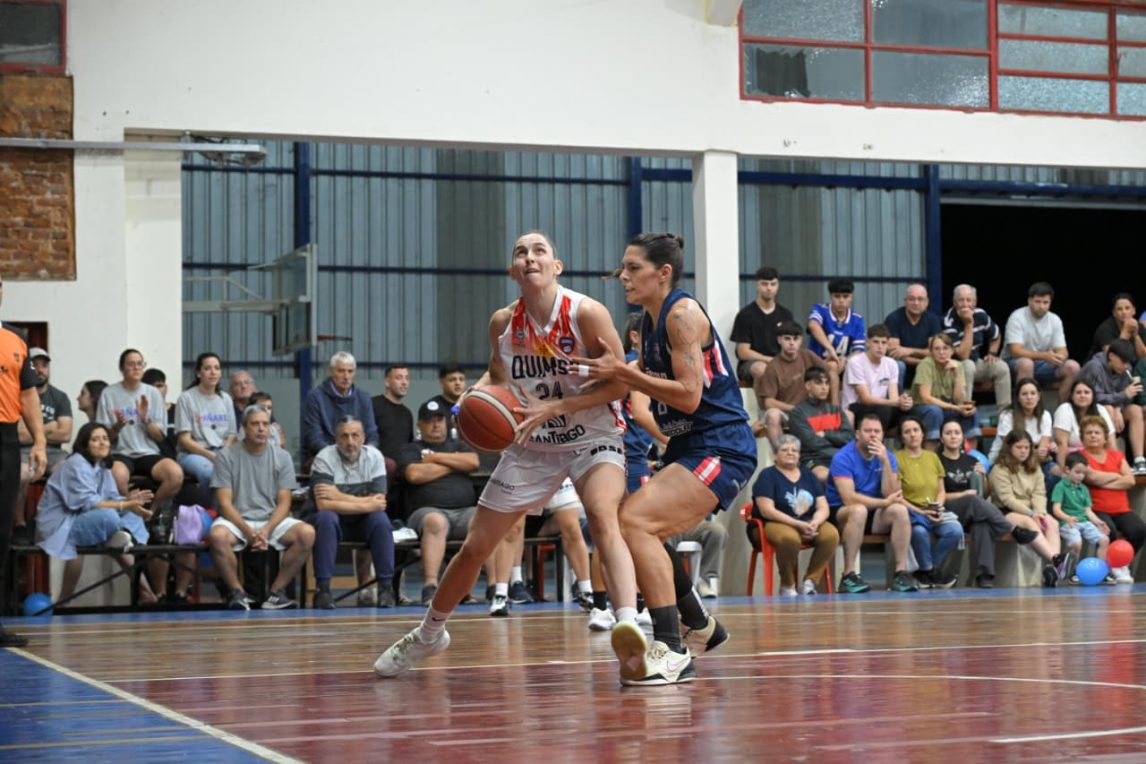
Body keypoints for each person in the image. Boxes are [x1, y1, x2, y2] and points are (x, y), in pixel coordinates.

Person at [376, 231, 640, 682]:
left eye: (540, 251)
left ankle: (628, 624)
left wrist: (555, 407)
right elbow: (499, 376)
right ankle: (429, 634)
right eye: (521, 252)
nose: (530, 256)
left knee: (600, 514)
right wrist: (479, 397)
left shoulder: (586, 313)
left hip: (591, 434)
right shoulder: (502, 323)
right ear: (512, 270)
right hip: (531, 442)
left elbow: (621, 382)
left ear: (557, 266)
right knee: (478, 545)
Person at [580, 231, 753, 686]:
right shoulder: (649, 320)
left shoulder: (681, 314)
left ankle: (673, 648)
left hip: (721, 444)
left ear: (664, 273)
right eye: (622, 267)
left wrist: (625, 372)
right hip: (688, 446)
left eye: (633, 268)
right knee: (629, 523)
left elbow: (692, 397)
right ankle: (699, 623)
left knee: (636, 522)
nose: (623, 276)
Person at [35, 423, 157, 602]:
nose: (102, 443)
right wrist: (127, 503)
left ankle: (144, 589)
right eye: (95, 439)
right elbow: (90, 504)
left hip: (87, 517)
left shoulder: (103, 466)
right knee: (109, 517)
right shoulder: (76, 463)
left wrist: (133, 505)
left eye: (105, 439)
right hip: (61, 522)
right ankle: (114, 537)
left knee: (129, 515)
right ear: (85, 445)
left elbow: (112, 497)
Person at [208, 405, 313, 610]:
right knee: (217, 536)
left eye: (265, 424)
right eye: (255, 424)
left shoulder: (282, 457)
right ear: (244, 428)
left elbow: (284, 502)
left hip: (270, 519)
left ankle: (276, 593)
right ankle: (237, 593)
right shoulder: (226, 456)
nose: (261, 429)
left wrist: (266, 530)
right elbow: (224, 503)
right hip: (236, 520)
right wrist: (249, 532)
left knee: (307, 533)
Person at [938, 419, 1049, 589]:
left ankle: (984, 575)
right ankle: (1012, 528)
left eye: (957, 433)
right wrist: (963, 494)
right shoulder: (936, 461)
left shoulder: (971, 460)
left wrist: (984, 478)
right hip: (949, 512)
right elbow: (937, 495)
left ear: (963, 437)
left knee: (982, 524)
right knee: (973, 500)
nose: (953, 436)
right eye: (948, 433)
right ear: (941, 438)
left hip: (974, 511)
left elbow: (985, 493)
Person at [97, 349, 184, 553]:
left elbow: (160, 436)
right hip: (121, 451)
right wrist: (117, 425)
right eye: (131, 364)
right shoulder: (109, 393)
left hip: (148, 451)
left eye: (140, 364)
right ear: (121, 368)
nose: (136, 368)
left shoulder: (152, 393)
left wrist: (145, 418)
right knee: (117, 475)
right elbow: (103, 438)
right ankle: (133, 509)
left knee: (175, 474)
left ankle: (149, 513)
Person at [397, 399, 480, 605]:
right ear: (420, 425)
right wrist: (454, 463)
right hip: (426, 512)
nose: (435, 425)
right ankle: (430, 587)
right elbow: (415, 474)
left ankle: (496, 589)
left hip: (464, 512)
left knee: (486, 521)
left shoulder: (459, 445)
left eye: (439, 420)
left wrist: (435, 459)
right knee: (436, 521)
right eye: (429, 421)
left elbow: (473, 462)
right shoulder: (410, 449)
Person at [307, 416, 394, 609]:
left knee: (380, 520)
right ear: (336, 439)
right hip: (333, 524)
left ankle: (385, 589)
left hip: (363, 523)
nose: (350, 442)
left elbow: (379, 503)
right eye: (344, 436)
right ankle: (323, 591)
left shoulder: (375, 456)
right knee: (326, 518)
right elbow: (323, 504)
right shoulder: (324, 457)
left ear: (363, 438)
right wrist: (366, 502)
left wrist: (337, 495)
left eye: (355, 435)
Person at [825, 412, 917, 593]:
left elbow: (891, 493)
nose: (873, 435)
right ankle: (849, 575)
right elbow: (848, 498)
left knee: (899, 511)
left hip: (873, 513)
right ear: (858, 434)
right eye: (868, 431)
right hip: (842, 514)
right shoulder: (843, 457)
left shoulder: (888, 457)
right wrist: (883, 503)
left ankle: (900, 573)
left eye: (877, 431)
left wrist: (884, 462)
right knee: (858, 510)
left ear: (883, 435)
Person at [0, 322, 45, 647]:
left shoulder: (15, 340)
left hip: (5, 440)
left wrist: (40, 442)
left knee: (1, 533)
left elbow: (28, 395)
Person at [750, 435, 839, 597]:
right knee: (790, 538)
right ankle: (787, 585)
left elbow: (823, 506)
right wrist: (798, 524)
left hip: (807, 522)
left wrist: (815, 522)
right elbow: (767, 510)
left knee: (831, 534)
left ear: (799, 455)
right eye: (784, 450)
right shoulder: (767, 476)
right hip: (772, 523)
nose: (790, 453)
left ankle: (810, 582)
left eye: (794, 450)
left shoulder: (808, 475)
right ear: (775, 454)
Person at [894, 416, 962, 588]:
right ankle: (929, 570)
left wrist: (937, 507)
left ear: (923, 434)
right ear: (902, 437)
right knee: (919, 532)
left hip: (933, 509)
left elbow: (941, 490)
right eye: (907, 432)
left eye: (916, 430)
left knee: (955, 530)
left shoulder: (932, 457)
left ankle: (927, 572)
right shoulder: (896, 458)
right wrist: (921, 512)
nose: (912, 435)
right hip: (911, 510)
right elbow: (897, 495)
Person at [989, 431, 1064, 587]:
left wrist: (1041, 513)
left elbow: (1039, 493)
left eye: (1027, 447)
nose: (1023, 451)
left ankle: (1053, 569)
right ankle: (1056, 560)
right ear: (1009, 448)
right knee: (1029, 523)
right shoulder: (999, 469)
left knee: (1052, 523)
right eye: (1019, 447)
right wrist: (1032, 514)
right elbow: (1006, 499)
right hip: (1005, 511)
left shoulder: (1035, 467)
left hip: (1033, 510)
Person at [14, 347, 72, 545]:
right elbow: (19, 436)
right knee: (21, 474)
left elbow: (65, 433)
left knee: (68, 470)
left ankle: (45, 519)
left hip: (55, 453)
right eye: (34, 365)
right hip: (23, 453)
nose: (40, 370)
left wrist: (33, 431)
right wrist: (47, 428)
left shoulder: (59, 397)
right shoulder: (16, 394)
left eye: (44, 365)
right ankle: (20, 523)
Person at [1079, 415, 1144, 583]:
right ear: (1082, 437)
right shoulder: (1080, 457)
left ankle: (1120, 563)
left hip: (1122, 509)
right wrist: (1117, 476)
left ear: (1105, 436)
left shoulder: (1117, 455)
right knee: (1110, 530)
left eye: (1097, 432)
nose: (1093, 435)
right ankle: (1113, 568)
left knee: (1139, 530)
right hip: (1096, 509)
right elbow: (1091, 477)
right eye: (1089, 433)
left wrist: (1102, 482)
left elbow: (1130, 480)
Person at [759, 321, 836, 447]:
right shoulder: (773, 366)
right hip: (788, 411)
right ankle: (779, 455)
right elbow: (768, 402)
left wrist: (834, 406)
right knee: (772, 415)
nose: (791, 343)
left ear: (801, 340)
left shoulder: (808, 355)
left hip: (812, 408)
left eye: (795, 339)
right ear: (779, 340)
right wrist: (796, 409)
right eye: (787, 339)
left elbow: (831, 373)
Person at [175, 352, 237, 508]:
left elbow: (231, 434)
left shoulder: (225, 398)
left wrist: (223, 452)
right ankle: (209, 513)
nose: (213, 372)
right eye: (208, 368)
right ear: (198, 373)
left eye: (217, 368)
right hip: (194, 453)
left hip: (221, 451)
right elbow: (184, 439)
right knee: (211, 475)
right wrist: (211, 455)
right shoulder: (187, 398)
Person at [1001, 282, 1080, 402]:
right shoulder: (1017, 317)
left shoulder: (1054, 319)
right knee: (1027, 364)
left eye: (1045, 302)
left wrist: (1059, 357)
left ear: (1050, 303)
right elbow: (1015, 351)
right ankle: (1022, 411)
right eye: (1038, 302)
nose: (1041, 306)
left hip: (1043, 364)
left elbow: (1063, 350)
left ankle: (1063, 411)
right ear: (1029, 301)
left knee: (1073, 367)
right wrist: (1044, 355)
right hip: (1014, 363)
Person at [1078, 339, 1146, 474]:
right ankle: (1113, 459)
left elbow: (1127, 397)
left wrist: (1118, 408)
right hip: (1090, 410)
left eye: (1128, 362)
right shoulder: (1095, 367)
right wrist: (1119, 399)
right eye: (1123, 362)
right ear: (1111, 357)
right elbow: (1095, 397)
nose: (1126, 366)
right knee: (1107, 408)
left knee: (1135, 410)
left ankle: (1139, 460)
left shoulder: (1126, 369)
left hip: (1115, 407)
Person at [943, 284, 1011, 408]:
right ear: (954, 302)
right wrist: (968, 324)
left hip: (976, 363)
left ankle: (1005, 415)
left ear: (974, 302)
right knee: (967, 366)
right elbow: (963, 356)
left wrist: (992, 353)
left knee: (1001, 367)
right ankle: (965, 410)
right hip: (954, 366)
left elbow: (996, 335)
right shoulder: (948, 321)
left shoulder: (980, 314)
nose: (965, 304)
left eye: (968, 300)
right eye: (960, 300)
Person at [911, 333, 981, 450]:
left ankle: (971, 456)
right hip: (921, 408)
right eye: (937, 349)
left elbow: (959, 400)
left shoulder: (958, 365)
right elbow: (925, 398)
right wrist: (954, 408)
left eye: (945, 348)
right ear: (931, 352)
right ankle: (931, 456)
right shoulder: (926, 364)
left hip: (945, 407)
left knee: (970, 412)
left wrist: (957, 374)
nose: (941, 352)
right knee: (934, 411)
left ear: (952, 350)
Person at [1051, 451, 1112, 583]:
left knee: (1104, 540)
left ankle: (1102, 572)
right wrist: (1067, 518)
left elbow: (1088, 511)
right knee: (1077, 543)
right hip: (1068, 523)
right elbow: (1056, 509)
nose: (1081, 476)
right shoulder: (1060, 486)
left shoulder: (1084, 489)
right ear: (1067, 470)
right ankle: (1072, 572)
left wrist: (1098, 522)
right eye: (1077, 472)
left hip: (1084, 522)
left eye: (1083, 473)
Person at [303, 351, 379, 456]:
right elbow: (314, 437)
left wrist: (368, 451)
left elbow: (372, 433)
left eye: (350, 371)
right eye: (341, 371)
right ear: (331, 372)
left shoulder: (364, 398)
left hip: (358, 455)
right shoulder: (315, 398)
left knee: (388, 465)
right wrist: (339, 456)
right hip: (325, 456)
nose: (346, 376)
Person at [842, 323, 913, 431]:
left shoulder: (891, 363)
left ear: (888, 345)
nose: (880, 346)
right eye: (876, 342)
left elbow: (893, 397)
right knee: (883, 410)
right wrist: (895, 402)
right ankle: (877, 445)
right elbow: (865, 399)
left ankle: (904, 447)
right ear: (868, 342)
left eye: (884, 343)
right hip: (856, 408)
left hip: (881, 406)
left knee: (910, 411)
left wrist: (904, 402)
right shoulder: (855, 362)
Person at [730, 266, 793, 387]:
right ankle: (767, 405)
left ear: (778, 286)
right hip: (750, 364)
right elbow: (743, 352)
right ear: (757, 285)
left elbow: (790, 344)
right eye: (764, 284)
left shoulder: (786, 315)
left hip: (780, 362)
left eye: (773, 284)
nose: (769, 288)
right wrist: (768, 360)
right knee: (763, 370)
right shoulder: (745, 315)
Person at [788, 367, 854, 482]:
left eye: (827, 383)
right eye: (818, 383)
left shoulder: (835, 410)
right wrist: (838, 449)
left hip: (840, 456)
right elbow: (811, 443)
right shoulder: (797, 413)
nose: (824, 388)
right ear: (808, 386)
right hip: (813, 459)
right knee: (824, 476)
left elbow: (849, 438)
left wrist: (826, 434)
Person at [884, 283, 943, 388]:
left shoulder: (933, 320)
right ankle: (897, 401)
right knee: (899, 365)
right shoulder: (893, 319)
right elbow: (895, 354)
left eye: (920, 299)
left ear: (927, 302)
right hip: (902, 367)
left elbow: (936, 351)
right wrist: (923, 361)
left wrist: (909, 351)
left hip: (923, 366)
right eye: (912, 299)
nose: (916, 303)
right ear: (905, 301)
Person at [1052, 379, 1116, 472]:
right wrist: (1064, 472)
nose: (1082, 395)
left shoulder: (1100, 409)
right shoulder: (1065, 409)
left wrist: (1114, 467)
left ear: (1093, 395)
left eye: (1086, 392)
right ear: (1072, 396)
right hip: (1074, 462)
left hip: (1099, 458)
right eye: (1078, 392)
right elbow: (1062, 445)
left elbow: (1111, 443)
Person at [988, 378, 1054, 467]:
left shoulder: (1045, 415)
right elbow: (1010, 446)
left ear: (1038, 396)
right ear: (1018, 398)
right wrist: (1034, 447)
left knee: (1053, 469)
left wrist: (1042, 451)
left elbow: (1043, 447)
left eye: (1033, 393)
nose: (1029, 397)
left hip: (1034, 461)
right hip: (1007, 461)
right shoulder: (1007, 415)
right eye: (1024, 394)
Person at [806, 278, 866, 365]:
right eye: (837, 296)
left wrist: (846, 360)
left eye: (845, 296)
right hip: (815, 364)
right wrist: (830, 349)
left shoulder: (857, 320)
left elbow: (859, 350)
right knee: (832, 365)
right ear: (830, 296)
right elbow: (813, 325)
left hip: (842, 365)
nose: (841, 301)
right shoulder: (821, 310)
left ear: (851, 297)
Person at [1087, 292, 1146, 364]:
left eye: (1127, 308)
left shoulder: (1139, 326)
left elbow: (1144, 358)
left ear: (1134, 311)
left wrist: (1136, 336)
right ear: (1114, 312)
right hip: (1100, 368)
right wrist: (1125, 332)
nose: (1124, 312)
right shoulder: (1105, 328)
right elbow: (1110, 355)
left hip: (1126, 368)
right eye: (1119, 309)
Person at [372, 364, 414, 459]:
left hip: (402, 469)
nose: (404, 382)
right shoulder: (373, 405)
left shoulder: (407, 413)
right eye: (399, 378)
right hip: (379, 467)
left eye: (407, 378)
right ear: (387, 382)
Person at [424, 363, 467, 440]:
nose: (458, 383)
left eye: (461, 379)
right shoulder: (433, 407)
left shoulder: (471, 406)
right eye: (452, 380)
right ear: (441, 383)